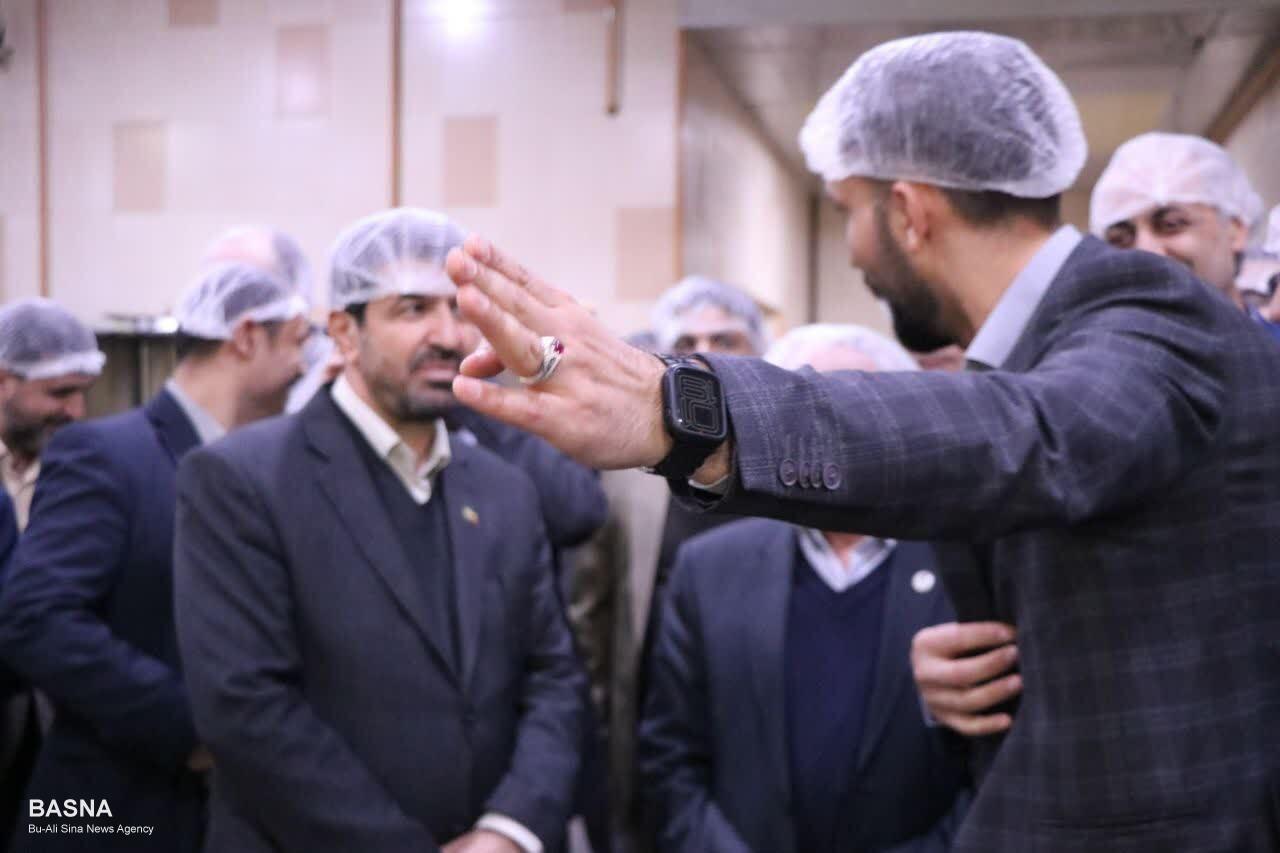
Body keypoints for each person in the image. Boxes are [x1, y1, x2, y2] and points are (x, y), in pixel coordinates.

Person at [437, 31, 1280, 853]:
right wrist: (969, 680)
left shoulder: (1148, 315)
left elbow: (1031, 435)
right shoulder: (1057, 342)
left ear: (908, 212)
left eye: (848, 212)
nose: (852, 250)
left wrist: (680, 410)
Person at [173, 208, 586, 853]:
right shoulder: (242, 481)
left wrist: (509, 830)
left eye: (460, 309)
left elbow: (555, 678)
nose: (448, 335)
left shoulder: (504, 490)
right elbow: (246, 707)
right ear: (344, 331)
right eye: (413, 309)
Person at [0, 263, 310, 853]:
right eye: (298, 343)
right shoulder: (108, 454)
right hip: (109, 813)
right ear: (247, 338)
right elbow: (34, 617)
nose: (304, 366)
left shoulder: (267, 469)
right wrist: (193, 729)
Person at [640, 324, 969, 853]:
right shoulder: (708, 570)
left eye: (860, 406)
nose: (836, 430)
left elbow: (995, 769)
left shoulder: (964, 567)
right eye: (808, 410)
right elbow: (669, 760)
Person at [568, 277, 766, 853]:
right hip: (654, 723)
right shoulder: (627, 471)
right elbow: (593, 614)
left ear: (759, 350)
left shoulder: (788, 466)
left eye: (724, 339)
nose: (704, 355)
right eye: (685, 342)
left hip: (761, 717)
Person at [1089, 132, 1279, 342]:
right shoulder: (1096, 357)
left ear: (1235, 230)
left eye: (1171, 224)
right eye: (1120, 239)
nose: (1144, 251)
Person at [0, 300, 105, 529]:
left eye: (84, 393)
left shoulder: (88, 472)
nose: (77, 412)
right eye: (60, 393)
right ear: (3, 382)